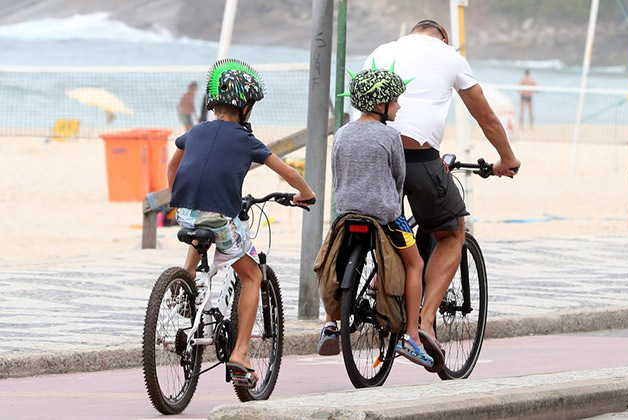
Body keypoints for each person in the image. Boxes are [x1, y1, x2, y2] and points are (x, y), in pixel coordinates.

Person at [358, 19, 520, 354]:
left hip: (367, 152)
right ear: (443, 37)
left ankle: (376, 283)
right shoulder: (450, 56)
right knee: (451, 231)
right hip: (418, 157)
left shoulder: (381, 51)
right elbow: (486, 117)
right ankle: (424, 322)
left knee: (381, 221)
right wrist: (506, 158)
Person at [167, 59, 315, 387]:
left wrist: (175, 196)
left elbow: (174, 162)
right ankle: (241, 354)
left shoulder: (196, 131)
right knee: (252, 275)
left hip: (185, 211)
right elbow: (288, 173)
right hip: (219, 216)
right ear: (245, 108)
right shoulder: (246, 139)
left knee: (199, 230)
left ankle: (184, 284)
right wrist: (306, 193)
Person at [316, 66, 434, 368]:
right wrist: (393, 207)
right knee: (415, 263)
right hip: (385, 217)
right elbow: (398, 177)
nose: (399, 106)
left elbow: (338, 173)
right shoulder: (390, 135)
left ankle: (331, 322)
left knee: (338, 262)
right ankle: (411, 336)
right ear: (380, 104)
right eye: (395, 101)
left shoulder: (342, 133)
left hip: (347, 214)